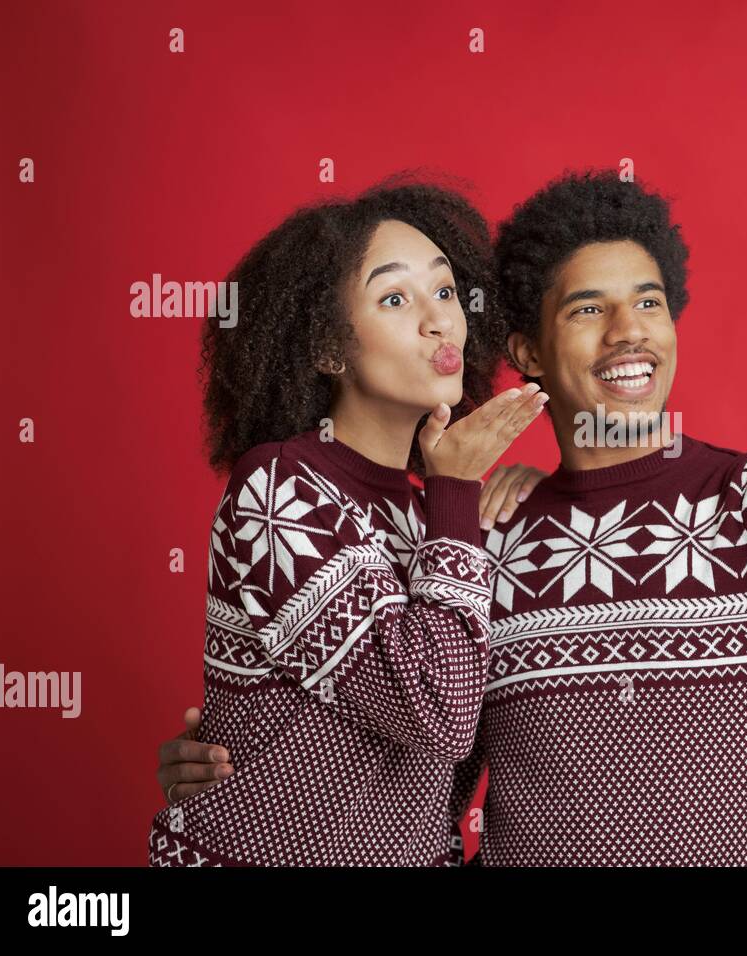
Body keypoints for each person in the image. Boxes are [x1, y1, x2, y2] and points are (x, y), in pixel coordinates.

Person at [159, 170, 747, 866]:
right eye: (588, 310)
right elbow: (431, 750)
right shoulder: (478, 531)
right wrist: (248, 766)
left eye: (650, 303)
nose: (629, 333)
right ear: (525, 352)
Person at [148, 175, 547, 867]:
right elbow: (437, 711)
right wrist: (456, 487)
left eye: (445, 291)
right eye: (395, 298)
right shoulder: (278, 488)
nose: (439, 321)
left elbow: (449, 767)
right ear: (329, 350)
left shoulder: (438, 518)